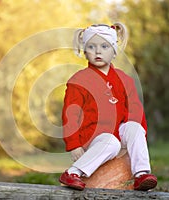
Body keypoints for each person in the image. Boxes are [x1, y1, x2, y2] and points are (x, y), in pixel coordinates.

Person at [59, 22, 157, 191]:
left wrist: (134, 137)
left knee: (135, 125)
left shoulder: (124, 79)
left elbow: (135, 110)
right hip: (92, 137)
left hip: (117, 133)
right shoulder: (79, 80)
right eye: (92, 46)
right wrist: (74, 145)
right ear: (84, 51)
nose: (98, 51)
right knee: (111, 143)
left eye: (104, 46)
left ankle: (141, 174)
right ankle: (73, 173)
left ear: (113, 51)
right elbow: (71, 114)